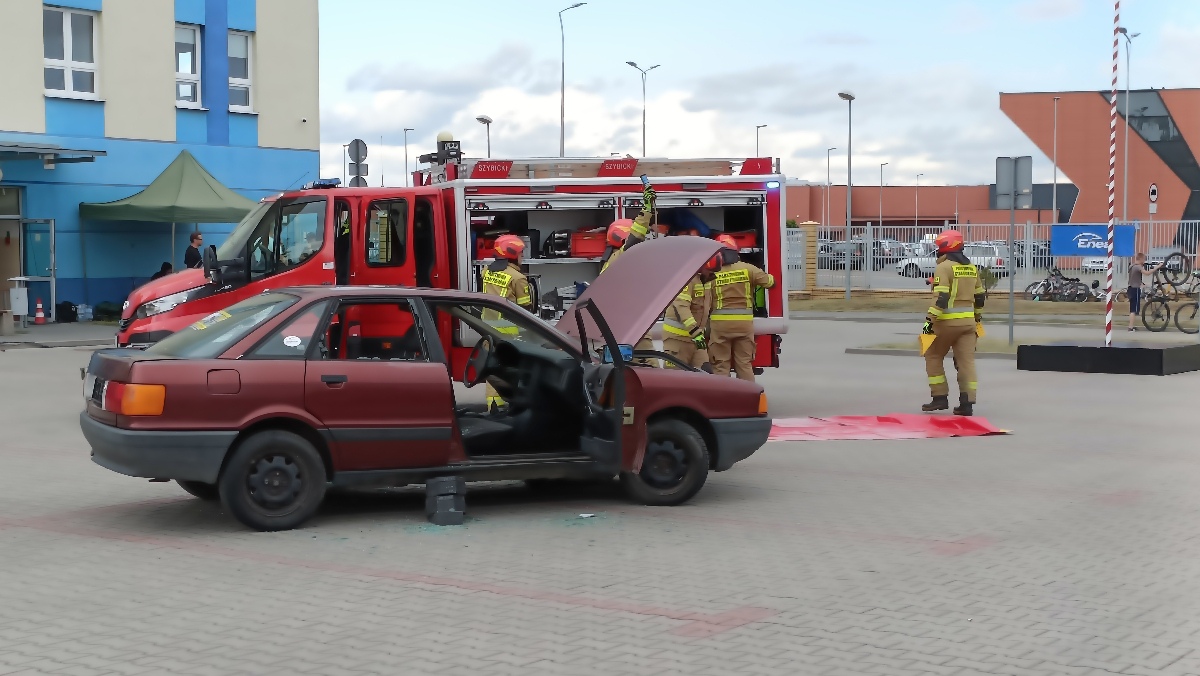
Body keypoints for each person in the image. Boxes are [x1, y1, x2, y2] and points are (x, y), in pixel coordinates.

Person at [921, 229, 984, 416]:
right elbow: (980, 297)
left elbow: (941, 297)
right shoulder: (972, 268)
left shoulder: (944, 267)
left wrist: (928, 322)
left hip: (945, 323)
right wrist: (977, 319)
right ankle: (967, 403)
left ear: (944, 247)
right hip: (968, 324)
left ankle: (939, 398)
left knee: (931, 354)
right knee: (966, 362)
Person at [709, 234, 775, 381]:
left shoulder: (712, 273)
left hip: (720, 326)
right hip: (743, 325)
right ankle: (748, 400)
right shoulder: (748, 269)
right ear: (736, 251)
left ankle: (722, 400)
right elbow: (770, 282)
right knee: (744, 364)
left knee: (721, 366)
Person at [480, 234, 533, 410]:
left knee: (492, 364)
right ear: (512, 254)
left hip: (488, 326)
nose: (522, 257)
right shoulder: (517, 278)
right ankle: (509, 402)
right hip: (509, 331)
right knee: (510, 368)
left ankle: (493, 402)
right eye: (521, 253)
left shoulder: (487, 271)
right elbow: (526, 308)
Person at [662, 251, 721, 371]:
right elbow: (681, 307)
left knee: (706, 374)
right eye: (710, 270)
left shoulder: (707, 280)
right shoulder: (687, 279)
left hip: (696, 339)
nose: (712, 273)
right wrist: (695, 331)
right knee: (676, 380)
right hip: (677, 339)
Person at [1127, 252, 1159, 331]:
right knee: (1133, 310)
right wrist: (1157, 267)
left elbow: (1134, 277)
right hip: (1135, 289)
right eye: (1144, 259)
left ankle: (1131, 326)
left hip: (1130, 288)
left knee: (1132, 308)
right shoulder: (1138, 267)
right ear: (1141, 259)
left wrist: (1142, 283)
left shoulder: (1132, 266)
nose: (1144, 261)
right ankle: (1130, 327)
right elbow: (1147, 273)